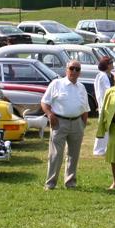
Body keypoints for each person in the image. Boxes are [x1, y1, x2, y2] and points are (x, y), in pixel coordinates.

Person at [40, 60, 90, 190]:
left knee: (74, 154)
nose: (74, 71)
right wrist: (50, 115)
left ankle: (70, 182)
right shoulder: (56, 84)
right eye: (72, 68)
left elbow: (85, 108)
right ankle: (50, 183)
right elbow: (44, 103)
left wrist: (83, 124)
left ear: (80, 72)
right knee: (56, 154)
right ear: (66, 70)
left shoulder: (81, 87)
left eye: (77, 69)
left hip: (77, 123)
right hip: (59, 122)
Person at [92, 57, 114, 156]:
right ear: (107, 65)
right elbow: (107, 91)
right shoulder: (102, 76)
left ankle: (105, 148)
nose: (112, 64)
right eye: (111, 63)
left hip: (107, 105)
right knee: (103, 128)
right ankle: (99, 150)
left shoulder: (108, 75)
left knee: (107, 129)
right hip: (105, 105)